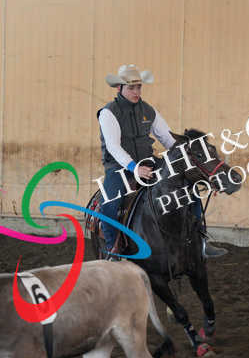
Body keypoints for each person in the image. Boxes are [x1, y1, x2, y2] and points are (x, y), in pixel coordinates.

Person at [97, 64, 227, 259]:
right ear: (119, 88)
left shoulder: (148, 110)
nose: (136, 92)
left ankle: (200, 240)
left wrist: (188, 159)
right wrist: (134, 168)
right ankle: (112, 250)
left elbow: (168, 138)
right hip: (119, 168)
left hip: (149, 162)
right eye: (131, 88)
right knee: (109, 204)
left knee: (189, 187)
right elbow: (114, 147)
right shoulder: (109, 113)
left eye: (139, 87)